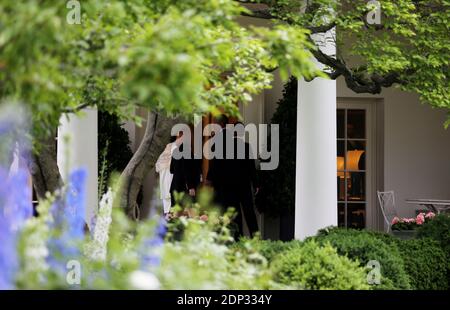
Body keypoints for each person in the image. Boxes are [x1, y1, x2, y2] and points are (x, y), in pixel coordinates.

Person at [207, 118, 259, 238]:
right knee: (249, 213)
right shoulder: (246, 146)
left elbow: (215, 161)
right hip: (244, 184)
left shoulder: (222, 143)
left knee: (236, 214)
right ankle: (256, 239)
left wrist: (210, 180)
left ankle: (238, 238)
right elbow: (251, 167)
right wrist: (256, 184)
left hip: (229, 185)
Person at [169, 132, 202, 206]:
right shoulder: (187, 152)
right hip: (183, 188)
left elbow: (171, 170)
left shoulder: (175, 151)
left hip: (174, 187)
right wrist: (191, 187)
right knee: (184, 214)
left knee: (175, 213)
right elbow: (186, 170)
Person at [155, 137, 177, 219]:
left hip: (166, 187)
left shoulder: (162, 157)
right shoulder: (174, 150)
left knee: (167, 210)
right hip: (171, 185)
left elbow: (157, 168)